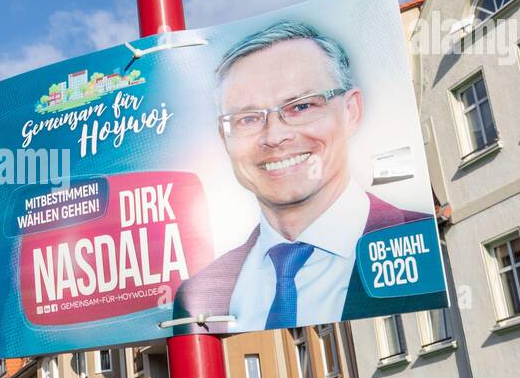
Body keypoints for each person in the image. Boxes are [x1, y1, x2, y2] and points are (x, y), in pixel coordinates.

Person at [174, 20, 433, 332]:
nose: (275, 136)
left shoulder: (424, 242)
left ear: (351, 111)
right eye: (247, 118)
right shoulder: (200, 294)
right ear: (223, 136)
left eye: (301, 106)